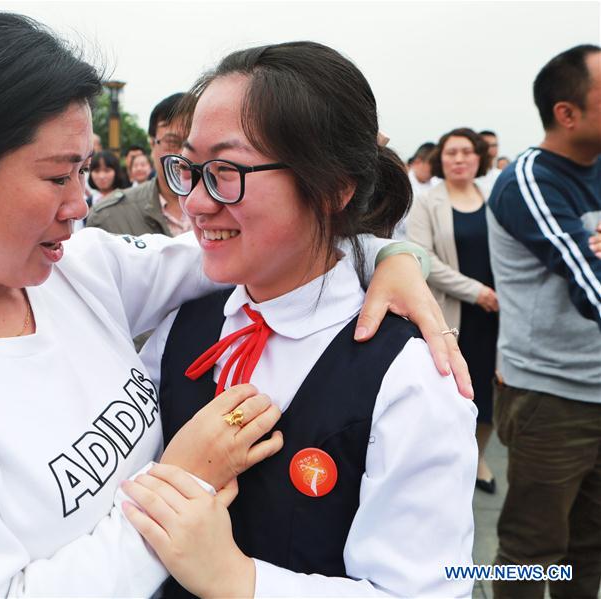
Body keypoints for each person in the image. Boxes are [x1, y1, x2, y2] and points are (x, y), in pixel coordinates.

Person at [0, 13, 468, 596]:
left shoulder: (77, 273)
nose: (81, 205)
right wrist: (182, 482)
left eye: (85, 171)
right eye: (58, 175)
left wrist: (388, 254)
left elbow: (269, 253)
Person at [123, 41, 478, 598]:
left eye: (225, 170)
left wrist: (238, 579)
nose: (194, 202)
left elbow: (425, 588)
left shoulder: (408, 379)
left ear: (336, 186)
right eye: (188, 169)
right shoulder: (179, 326)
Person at [487, 44, 601, 599]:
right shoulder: (530, 180)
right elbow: (591, 286)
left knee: (589, 548)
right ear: (567, 112)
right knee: (532, 552)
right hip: (551, 397)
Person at [407, 127, 499, 494]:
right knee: (454, 390)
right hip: (453, 312)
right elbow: (423, 257)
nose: (459, 159)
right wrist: (476, 291)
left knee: (488, 397)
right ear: (439, 160)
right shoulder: (427, 201)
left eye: (466, 152)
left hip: (496, 314)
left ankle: (479, 458)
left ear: (479, 158)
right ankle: (446, 461)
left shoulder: (493, 197)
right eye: (451, 153)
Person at [87, 93, 192, 237]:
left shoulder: (229, 209)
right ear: (152, 144)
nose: (182, 155)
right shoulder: (109, 217)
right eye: (172, 142)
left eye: (191, 144)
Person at [477, 129, 503, 195]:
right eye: (486, 145)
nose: (491, 149)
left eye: (494, 145)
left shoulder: (500, 175)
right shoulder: (469, 176)